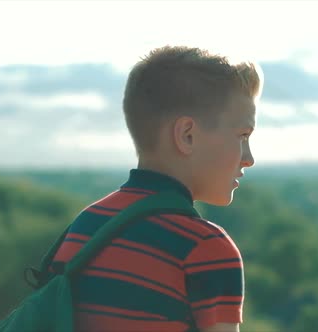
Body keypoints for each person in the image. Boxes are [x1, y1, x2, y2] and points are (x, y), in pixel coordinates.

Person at [51, 46, 263, 332]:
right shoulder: (205, 247)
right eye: (242, 136)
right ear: (187, 136)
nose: (249, 158)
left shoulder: (86, 225)